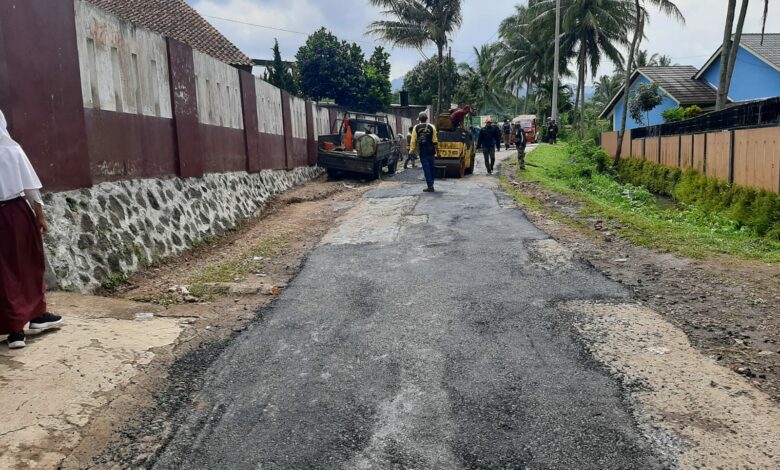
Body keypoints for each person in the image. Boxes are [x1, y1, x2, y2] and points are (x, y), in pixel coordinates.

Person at [0, 110, 63, 349]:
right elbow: (31, 188)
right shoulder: (12, 150)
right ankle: (32, 318)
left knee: (4, 272)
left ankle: (17, 329)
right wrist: (41, 216)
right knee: (28, 263)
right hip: (15, 214)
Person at [409, 112, 439, 193]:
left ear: (419, 119)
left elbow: (413, 141)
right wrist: (438, 152)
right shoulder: (432, 127)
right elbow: (435, 140)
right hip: (431, 150)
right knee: (432, 168)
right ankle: (431, 184)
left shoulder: (416, 127)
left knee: (426, 169)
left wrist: (411, 151)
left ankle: (430, 186)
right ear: (427, 119)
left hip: (423, 151)